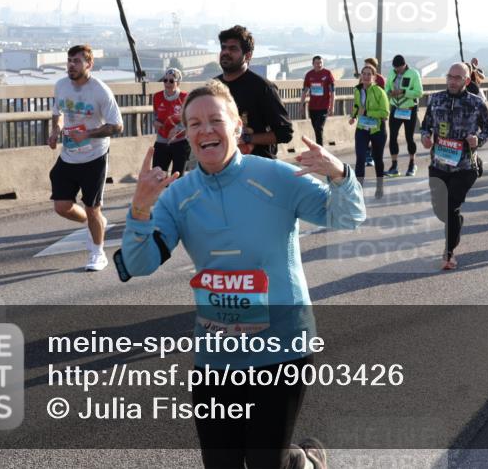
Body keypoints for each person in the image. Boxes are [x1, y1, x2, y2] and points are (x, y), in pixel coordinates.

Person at [118, 80, 364, 469]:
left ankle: (302, 461)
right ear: (186, 134)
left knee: (267, 462)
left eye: (215, 120)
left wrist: (339, 174)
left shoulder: (275, 177)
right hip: (216, 353)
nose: (205, 130)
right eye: (194, 123)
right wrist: (141, 210)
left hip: (282, 347)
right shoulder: (178, 197)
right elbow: (138, 264)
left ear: (236, 126)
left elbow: (348, 216)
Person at [48, 44, 123, 272]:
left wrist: (88, 133)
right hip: (69, 155)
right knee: (62, 206)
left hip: (94, 156)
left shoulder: (99, 90)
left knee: (93, 208)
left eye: (77, 61)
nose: (71, 65)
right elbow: (56, 113)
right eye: (69, 60)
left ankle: (97, 254)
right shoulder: (61, 86)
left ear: (89, 64)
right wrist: (55, 131)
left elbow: (117, 126)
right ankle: (95, 223)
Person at [420, 62, 488, 270]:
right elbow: (425, 126)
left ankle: (448, 253)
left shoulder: (476, 103)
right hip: (438, 164)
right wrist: (425, 138)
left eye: (457, 78)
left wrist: (477, 140)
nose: (452, 81)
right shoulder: (436, 99)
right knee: (440, 210)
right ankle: (456, 224)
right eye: (450, 77)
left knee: (451, 206)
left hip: (465, 166)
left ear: (467, 81)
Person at [215, 25, 293, 159]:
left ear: (248, 55)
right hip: (221, 166)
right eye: (223, 48)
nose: (226, 52)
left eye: (233, 48)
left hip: (256, 168)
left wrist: (245, 138)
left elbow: (285, 133)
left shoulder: (263, 88)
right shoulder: (213, 87)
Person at [351, 64, 390, 198]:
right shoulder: (357, 90)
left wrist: (367, 112)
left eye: (369, 74)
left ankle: (380, 186)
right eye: (364, 73)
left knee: (377, 159)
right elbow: (357, 106)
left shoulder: (379, 91)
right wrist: (353, 116)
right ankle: (358, 191)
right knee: (360, 158)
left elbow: (385, 113)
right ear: (361, 76)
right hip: (362, 129)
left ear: (374, 77)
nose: (366, 76)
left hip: (377, 130)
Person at [385, 54, 423, 177]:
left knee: (409, 138)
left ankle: (412, 164)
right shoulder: (392, 73)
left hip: (409, 110)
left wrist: (403, 91)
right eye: (395, 68)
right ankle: (394, 165)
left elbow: (419, 92)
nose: (397, 70)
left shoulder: (413, 74)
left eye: (399, 68)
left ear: (404, 65)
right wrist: (389, 92)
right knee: (393, 137)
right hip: (395, 108)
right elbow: (386, 87)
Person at [152, 68, 190, 176]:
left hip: (180, 141)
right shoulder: (157, 96)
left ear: (178, 83)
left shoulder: (185, 97)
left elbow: (189, 119)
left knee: (177, 178)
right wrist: (155, 122)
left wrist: (177, 129)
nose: (167, 83)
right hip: (161, 141)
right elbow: (155, 116)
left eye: (171, 81)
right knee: (157, 177)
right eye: (165, 80)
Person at [301, 55, 335, 146]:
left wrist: (332, 107)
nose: (319, 65)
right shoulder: (309, 75)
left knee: (319, 127)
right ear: (313, 64)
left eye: (320, 63)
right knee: (316, 129)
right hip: (312, 107)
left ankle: (320, 149)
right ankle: (319, 148)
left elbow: (332, 92)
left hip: (324, 107)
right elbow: (305, 91)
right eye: (317, 63)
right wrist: (301, 105)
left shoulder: (327, 74)